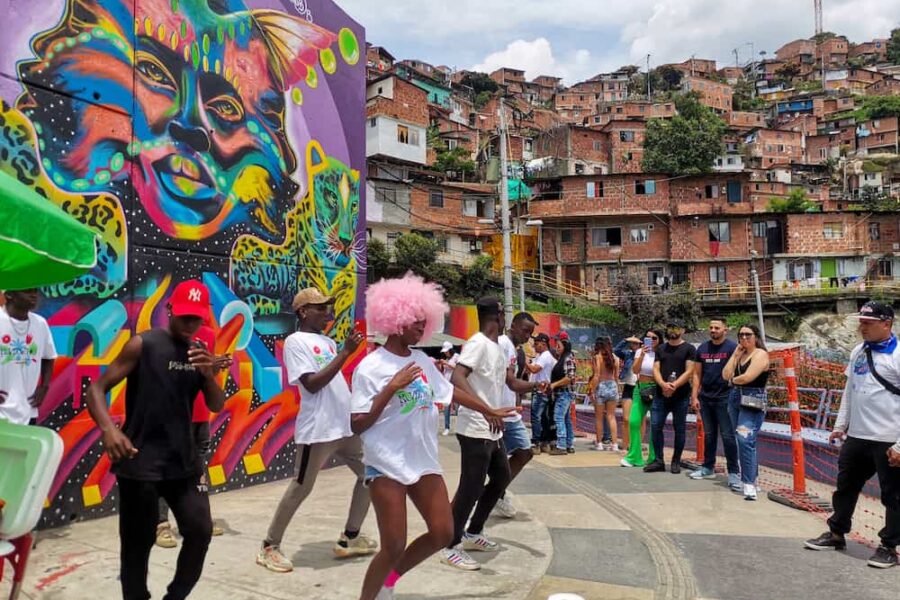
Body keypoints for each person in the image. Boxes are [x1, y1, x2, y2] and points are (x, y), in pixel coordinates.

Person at [349, 275, 516, 600]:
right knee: (394, 543)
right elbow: (358, 424)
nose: (421, 326)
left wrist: (487, 409)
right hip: (386, 462)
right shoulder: (370, 367)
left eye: (424, 320)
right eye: (415, 319)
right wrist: (391, 388)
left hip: (422, 460)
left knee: (443, 532)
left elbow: (449, 391)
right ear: (394, 319)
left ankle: (390, 582)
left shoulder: (421, 360)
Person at [85, 280, 227, 600]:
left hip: (184, 462)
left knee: (200, 531)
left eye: (197, 318)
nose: (190, 323)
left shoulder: (199, 353)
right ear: (170, 310)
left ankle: (175, 596)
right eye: (185, 316)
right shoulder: (142, 344)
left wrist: (208, 374)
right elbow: (96, 388)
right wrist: (109, 429)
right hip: (140, 462)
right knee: (136, 546)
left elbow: (217, 404)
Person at [257, 288, 375, 573]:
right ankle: (269, 546)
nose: (327, 312)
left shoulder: (326, 342)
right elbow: (311, 383)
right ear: (303, 312)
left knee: (372, 475)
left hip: (343, 426)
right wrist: (346, 352)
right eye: (320, 307)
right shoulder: (296, 342)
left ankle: (350, 537)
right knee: (301, 487)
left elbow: (334, 380)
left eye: (328, 307)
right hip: (318, 429)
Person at [441, 297, 545, 571]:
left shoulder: (498, 348)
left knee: (502, 476)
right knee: (470, 487)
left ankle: (473, 532)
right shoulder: (477, 343)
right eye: (503, 314)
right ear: (496, 317)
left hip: (492, 427)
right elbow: (458, 378)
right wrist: (486, 409)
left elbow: (508, 383)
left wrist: (535, 387)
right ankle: (450, 545)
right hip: (474, 427)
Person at [805, 301, 900, 568]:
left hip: (889, 438)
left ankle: (889, 547)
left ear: (886, 324)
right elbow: (850, 390)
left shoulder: (898, 354)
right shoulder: (859, 351)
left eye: (868, 323)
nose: (862, 327)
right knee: (846, 487)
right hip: (857, 436)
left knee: (892, 496)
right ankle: (836, 533)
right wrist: (839, 424)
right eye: (861, 321)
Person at [156, 325, 231, 548]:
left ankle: (197, 519)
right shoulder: (166, 338)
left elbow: (206, 378)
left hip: (201, 414)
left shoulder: (208, 335)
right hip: (176, 414)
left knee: (197, 470)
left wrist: (213, 367)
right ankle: (161, 525)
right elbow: (170, 374)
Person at [495, 312, 542, 518]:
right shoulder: (503, 344)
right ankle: (495, 493)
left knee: (524, 452)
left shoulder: (513, 348)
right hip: (499, 412)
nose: (527, 336)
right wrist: (536, 385)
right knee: (504, 458)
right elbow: (510, 381)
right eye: (525, 330)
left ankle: (496, 492)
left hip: (508, 411)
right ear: (512, 325)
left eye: (530, 333)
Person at [690, 318, 740, 490]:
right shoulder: (702, 348)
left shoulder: (732, 348)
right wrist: (694, 396)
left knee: (728, 436)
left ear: (725, 330)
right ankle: (707, 467)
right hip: (706, 398)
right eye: (710, 327)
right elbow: (696, 374)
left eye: (717, 328)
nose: (713, 330)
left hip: (725, 398)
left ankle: (734, 473)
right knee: (709, 435)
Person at [722, 324, 770, 501]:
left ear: (756, 336)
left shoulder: (761, 354)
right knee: (742, 439)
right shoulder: (740, 354)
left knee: (744, 438)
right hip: (735, 397)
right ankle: (752, 478)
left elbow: (748, 377)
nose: (744, 338)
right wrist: (734, 355)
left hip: (753, 397)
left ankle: (749, 482)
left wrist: (732, 380)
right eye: (741, 335)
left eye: (748, 335)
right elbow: (725, 374)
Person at [645, 321, 696, 474]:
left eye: (676, 328)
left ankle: (675, 461)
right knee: (655, 426)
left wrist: (673, 386)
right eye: (670, 328)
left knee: (679, 429)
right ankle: (659, 460)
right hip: (661, 395)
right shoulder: (661, 348)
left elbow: (689, 371)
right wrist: (663, 384)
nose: (672, 331)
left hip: (680, 396)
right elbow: (656, 368)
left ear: (683, 330)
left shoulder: (689, 348)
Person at [0, 289, 56, 425]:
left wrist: (45, 386)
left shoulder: (40, 324)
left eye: (35, 291)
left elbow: (49, 357)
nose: (34, 295)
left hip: (28, 409)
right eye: (27, 291)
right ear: (9, 295)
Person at [621, 330, 663, 468]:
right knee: (633, 420)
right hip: (640, 388)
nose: (651, 340)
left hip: (656, 388)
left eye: (654, 338)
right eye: (648, 338)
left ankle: (653, 457)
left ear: (659, 340)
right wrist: (642, 355)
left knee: (656, 425)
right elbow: (635, 370)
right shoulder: (640, 352)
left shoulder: (662, 352)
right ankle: (634, 456)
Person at [526, 333, 556, 454]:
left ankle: (536, 443)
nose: (534, 346)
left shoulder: (545, 356)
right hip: (543, 391)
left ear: (543, 344)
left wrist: (522, 360)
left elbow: (534, 369)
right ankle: (545, 442)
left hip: (540, 391)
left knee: (536, 418)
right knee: (544, 418)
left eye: (537, 344)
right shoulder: (542, 356)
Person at [548, 334, 577, 456]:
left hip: (564, 393)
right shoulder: (562, 359)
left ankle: (561, 445)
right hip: (563, 393)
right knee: (566, 419)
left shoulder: (568, 359)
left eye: (558, 345)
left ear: (564, 346)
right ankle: (569, 444)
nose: (556, 348)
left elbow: (570, 377)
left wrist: (554, 385)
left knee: (559, 417)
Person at [590, 337, 621, 451]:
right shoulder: (616, 358)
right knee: (611, 417)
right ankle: (615, 444)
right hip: (613, 386)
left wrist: (592, 390)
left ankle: (599, 443)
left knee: (598, 417)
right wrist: (618, 390)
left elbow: (596, 375)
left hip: (601, 386)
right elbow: (617, 377)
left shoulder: (597, 357)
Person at [613, 336, 642, 450]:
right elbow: (616, 351)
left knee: (639, 420)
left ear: (640, 345)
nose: (633, 345)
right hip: (629, 387)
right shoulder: (628, 354)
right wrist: (625, 340)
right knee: (626, 418)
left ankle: (635, 446)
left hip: (639, 387)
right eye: (632, 343)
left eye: (636, 343)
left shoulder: (644, 356)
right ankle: (625, 446)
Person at [438, 341, 459, 436]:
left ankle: (460, 427)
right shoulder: (447, 359)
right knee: (447, 406)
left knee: (458, 406)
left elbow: (458, 368)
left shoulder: (456, 357)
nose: (445, 353)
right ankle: (447, 427)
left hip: (455, 384)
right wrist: (442, 365)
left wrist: (447, 364)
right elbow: (444, 371)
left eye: (447, 351)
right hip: (447, 385)